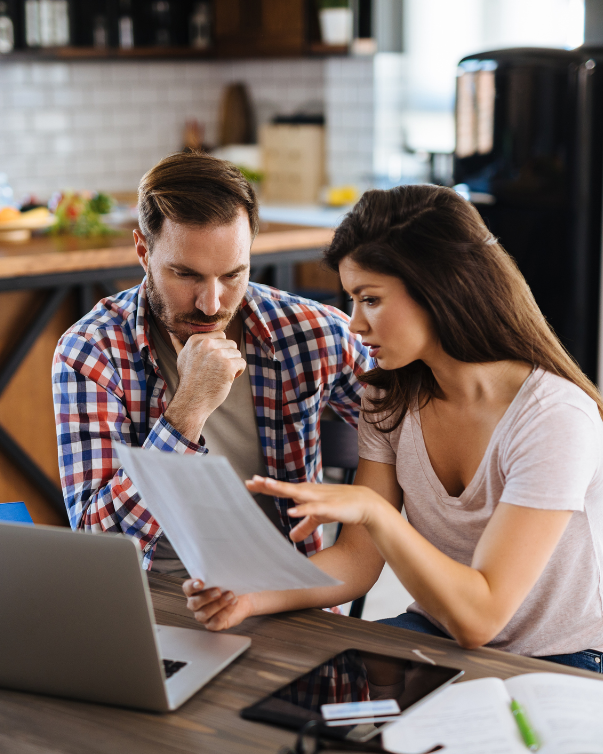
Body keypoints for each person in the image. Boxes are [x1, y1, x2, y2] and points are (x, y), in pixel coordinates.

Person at [182, 184, 603, 679]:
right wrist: (249, 595)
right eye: (352, 300)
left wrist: (376, 513)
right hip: (437, 636)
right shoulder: (389, 397)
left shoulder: (554, 417)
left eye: (370, 299)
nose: (354, 324)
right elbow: (356, 562)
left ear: (441, 288)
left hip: (564, 661)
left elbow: (480, 618)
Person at [52, 151, 372, 575]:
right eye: (186, 275)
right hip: (155, 599)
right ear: (143, 252)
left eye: (232, 275)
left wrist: (361, 533)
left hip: (290, 596)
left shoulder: (311, 332)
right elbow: (100, 545)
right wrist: (187, 411)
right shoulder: (91, 352)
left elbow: (411, 434)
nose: (211, 304)